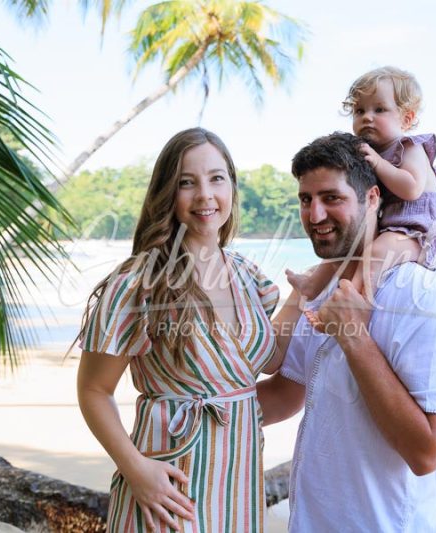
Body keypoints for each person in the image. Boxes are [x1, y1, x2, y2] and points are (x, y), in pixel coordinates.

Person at [76, 128, 298, 533]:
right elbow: (94, 391)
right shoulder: (139, 281)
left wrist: (303, 298)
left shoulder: (248, 277)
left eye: (217, 178)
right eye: (186, 183)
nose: (205, 196)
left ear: (232, 185)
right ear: (166, 193)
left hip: (238, 479)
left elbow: (265, 362)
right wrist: (137, 470)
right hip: (167, 482)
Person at [257, 132, 436, 532]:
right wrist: (194, 410)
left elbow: (427, 452)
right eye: (306, 199)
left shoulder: (417, 294)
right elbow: (288, 392)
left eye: (331, 198)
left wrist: (354, 337)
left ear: (373, 198)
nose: (315, 215)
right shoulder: (326, 289)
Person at [287, 66, 436, 305]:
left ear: (406, 118)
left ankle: (357, 302)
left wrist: (378, 163)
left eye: (379, 109)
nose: (367, 117)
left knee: (376, 255)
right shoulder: (369, 153)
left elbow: (411, 188)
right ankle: (312, 286)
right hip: (397, 225)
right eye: (359, 111)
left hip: (422, 228)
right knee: (343, 255)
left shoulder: (409, 146)